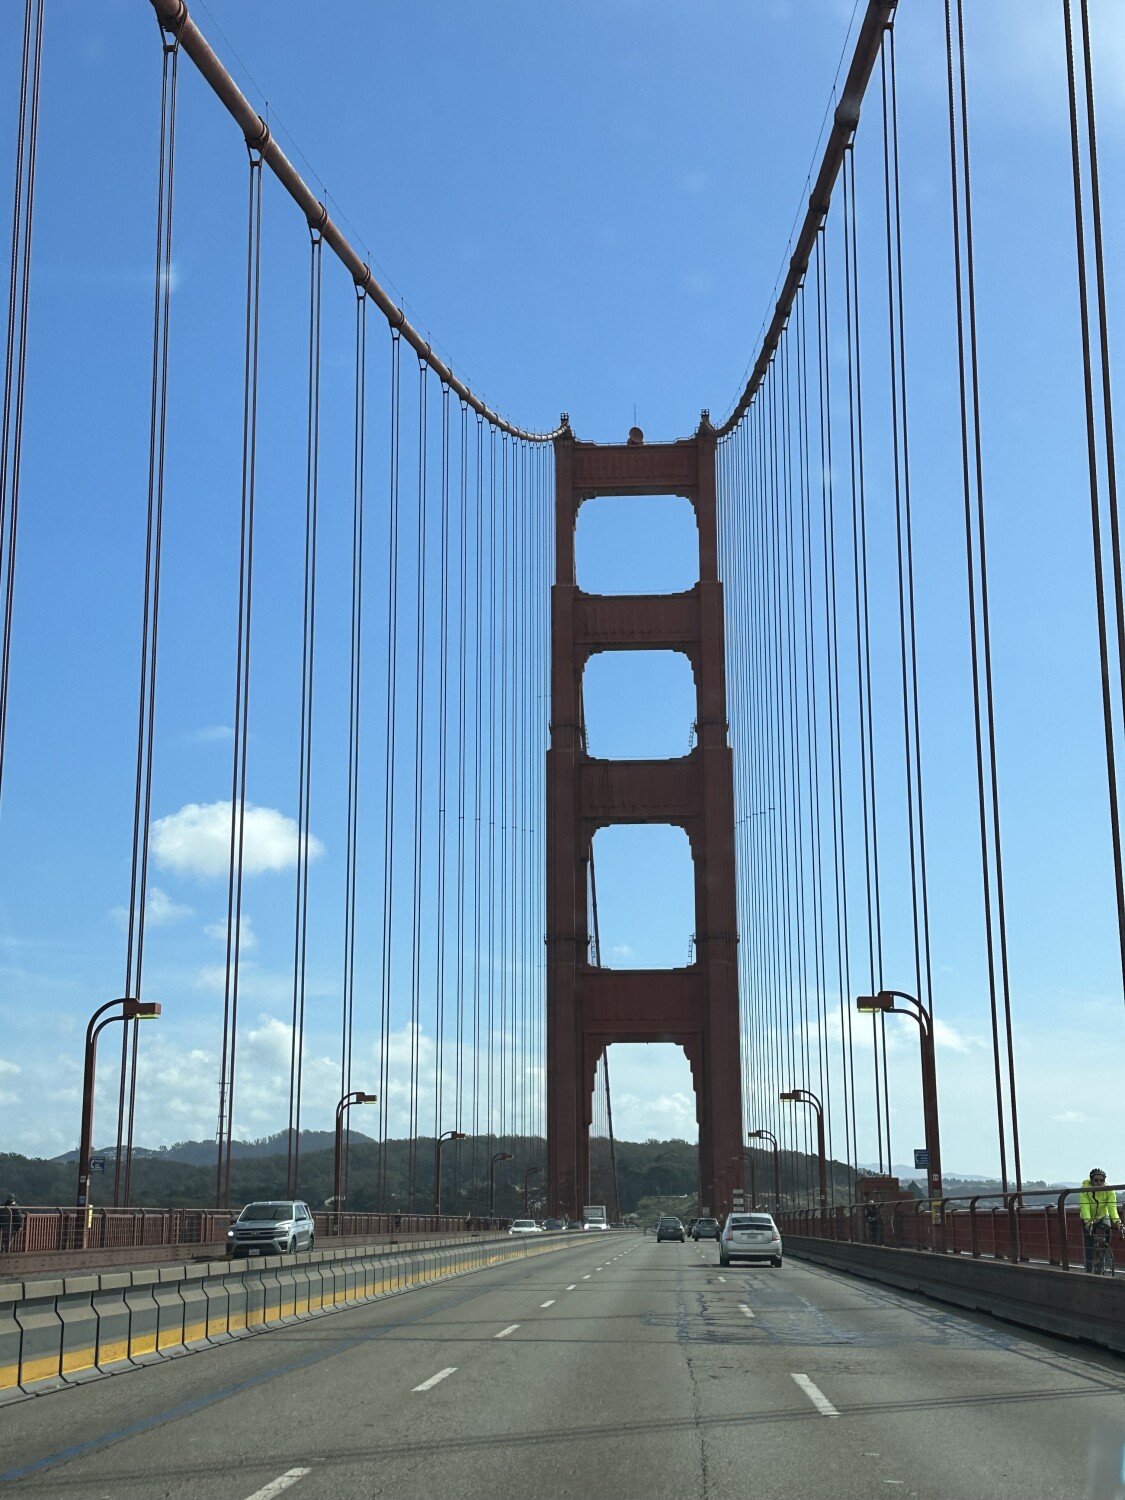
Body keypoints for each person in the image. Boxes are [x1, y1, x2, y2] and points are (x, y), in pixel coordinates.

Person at [1079, 1168, 1122, 1272]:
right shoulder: (1085, 1190)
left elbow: (1112, 1208)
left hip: (1103, 1215)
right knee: (1089, 1244)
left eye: (1101, 1180)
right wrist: (1087, 1221)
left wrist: (1118, 1222)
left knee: (1107, 1234)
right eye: (1096, 1180)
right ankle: (1089, 1268)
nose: (1099, 1183)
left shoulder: (1109, 1190)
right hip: (1088, 1217)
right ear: (1091, 1181)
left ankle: (1106, 1260)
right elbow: (1085, 1207)